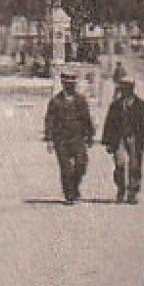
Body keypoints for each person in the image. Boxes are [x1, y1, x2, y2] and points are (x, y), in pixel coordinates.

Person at [43, 70, 95, 205]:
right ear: (62, 84)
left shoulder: (81, 100)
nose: (70, 85)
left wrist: (90, 135)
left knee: (81, 164)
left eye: (72, 83)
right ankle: (69, 194)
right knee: (66, 168)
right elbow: (49, 120)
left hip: (77, 138)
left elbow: (86, 118)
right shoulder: (55, 101)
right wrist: (49, 139)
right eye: (67, 83)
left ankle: (75, 186)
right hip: (61, 140)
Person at [102, 76, 144, 204]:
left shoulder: (140, 105)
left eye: (128, 88)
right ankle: (121, 188)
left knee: (135, 165)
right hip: (119, 138)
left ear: (132, 89)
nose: (125, 91)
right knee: (119, 163)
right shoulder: (116, 106)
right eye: (123, 88)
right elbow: (109, 124)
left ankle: (132, 192)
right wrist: (108, 142)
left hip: (134, 138)